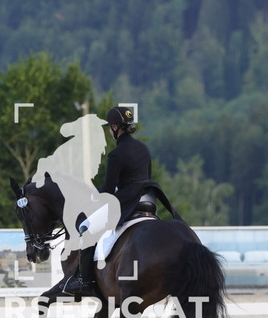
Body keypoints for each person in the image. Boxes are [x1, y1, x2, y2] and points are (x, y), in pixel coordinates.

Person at [63, 106, 182, 296]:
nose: (110, 132)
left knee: (85, 228)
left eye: (110, 128)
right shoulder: (144, 149)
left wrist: (92, 196)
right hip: (149, 201)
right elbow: (144, 177)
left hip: (127, 203)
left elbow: (109, 190)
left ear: (115, 127)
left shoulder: (116, 154)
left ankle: (83, 281)